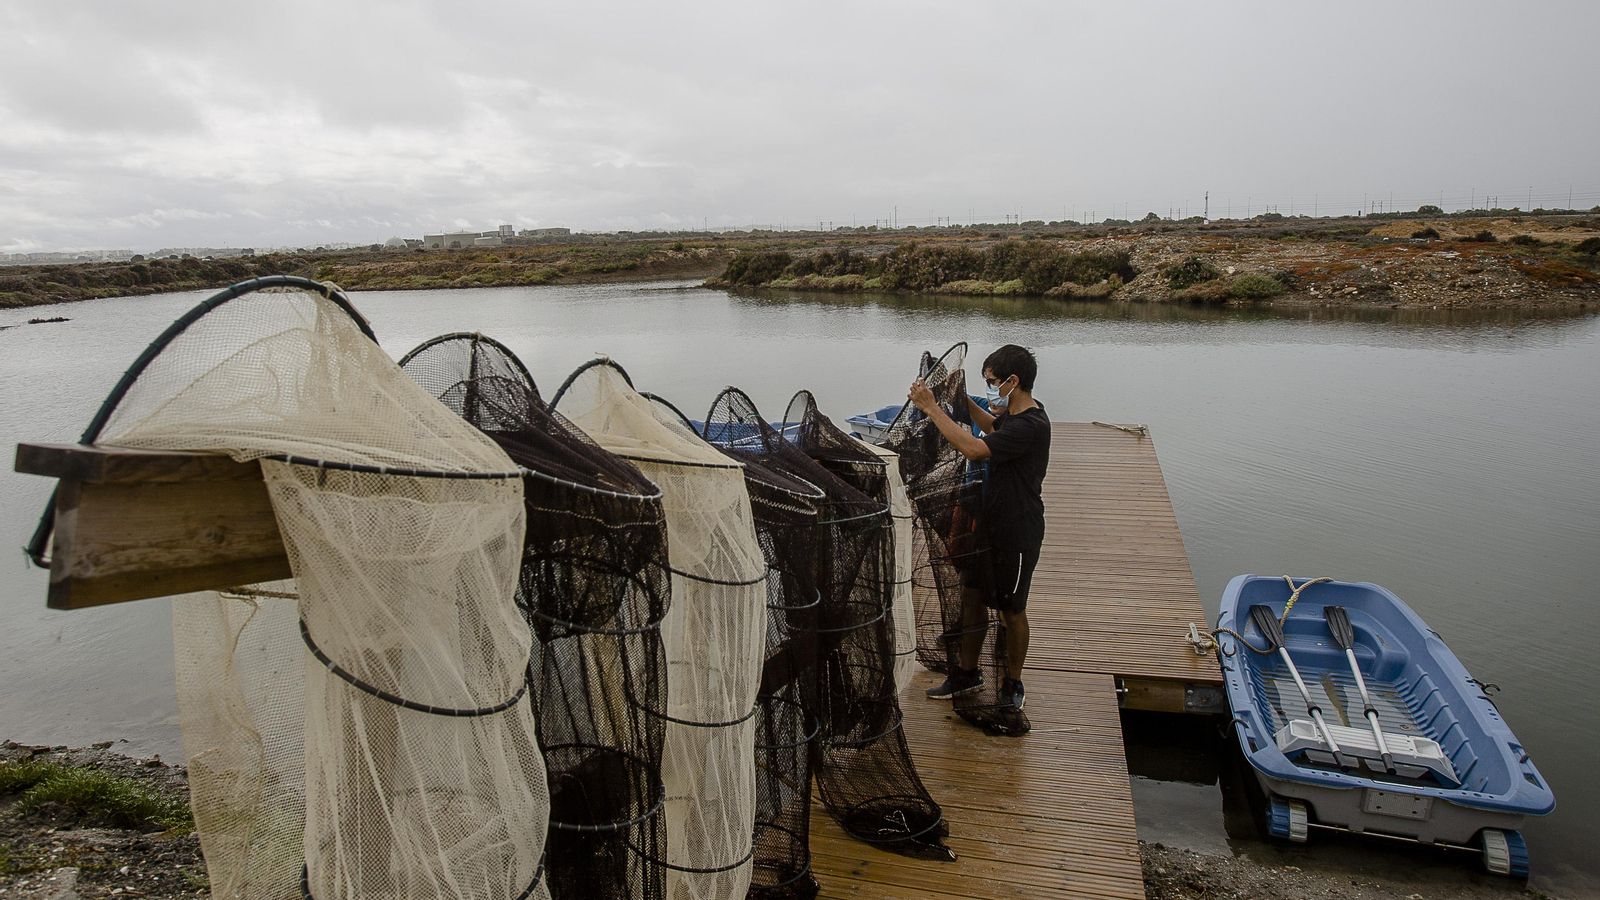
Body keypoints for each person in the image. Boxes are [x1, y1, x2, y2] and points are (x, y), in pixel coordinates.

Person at [908, 344, 1050, 714]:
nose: (989, 388)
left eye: (992, 382)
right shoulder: (1013, 417)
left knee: (1011, 610)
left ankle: (1013, 682)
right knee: (972, 598)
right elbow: (990, 426)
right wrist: (961, 399)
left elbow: (974, 448)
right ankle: (967, 674)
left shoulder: (1032, 426)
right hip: (985, 526)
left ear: (1012, 382)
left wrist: (932, 407)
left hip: (1017, 533)